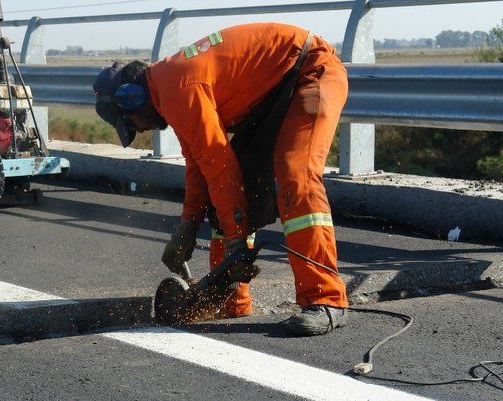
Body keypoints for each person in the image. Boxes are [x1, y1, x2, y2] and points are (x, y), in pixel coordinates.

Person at [93, 22, 349, 336]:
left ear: (131, 98)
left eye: (131, 124)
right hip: (276, 93)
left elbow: (220, 168)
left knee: (296, 173)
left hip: (310, 71)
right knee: (225, 201)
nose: (140, 130)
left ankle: (326, 298)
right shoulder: (169, 90)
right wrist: (186, 228)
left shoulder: (178, 87)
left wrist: (237, 242)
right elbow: (199, 167)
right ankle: (232, 302)